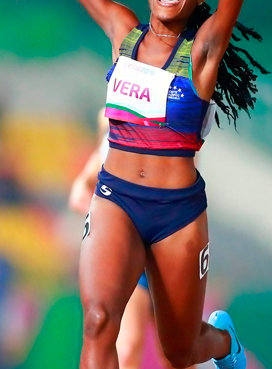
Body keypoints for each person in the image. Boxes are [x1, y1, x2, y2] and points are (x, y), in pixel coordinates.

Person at [33, 0, 267, 369]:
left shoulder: (201, 53)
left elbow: (228, 12)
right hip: (116, 197)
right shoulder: (123, 33)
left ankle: (224, 342)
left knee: (180, 351)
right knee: (98, 321)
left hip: (176, 214)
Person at [68, 109, 191, 369]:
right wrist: (89, 190)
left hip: (166, 246)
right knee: (127, 347)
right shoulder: (110, 117)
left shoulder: (174, 112)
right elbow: (86, 182)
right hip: (129, 249)